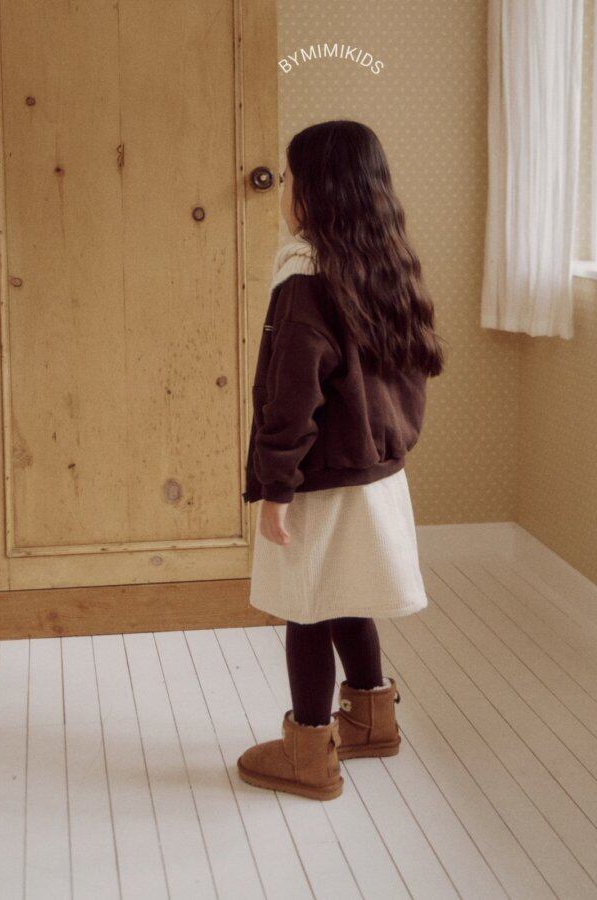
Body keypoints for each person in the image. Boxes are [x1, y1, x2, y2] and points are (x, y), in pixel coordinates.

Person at [237, 120, 445, 802]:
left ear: (315, 193)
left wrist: (276, 485)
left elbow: (290, 397)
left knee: (306, 606)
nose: (283, 192)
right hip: (377, 477)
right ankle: (371, 721)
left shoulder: (305, 278)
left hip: (319, 479)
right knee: (349, 592)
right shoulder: (386, 267)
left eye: (289, 179)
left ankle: (309, 752)